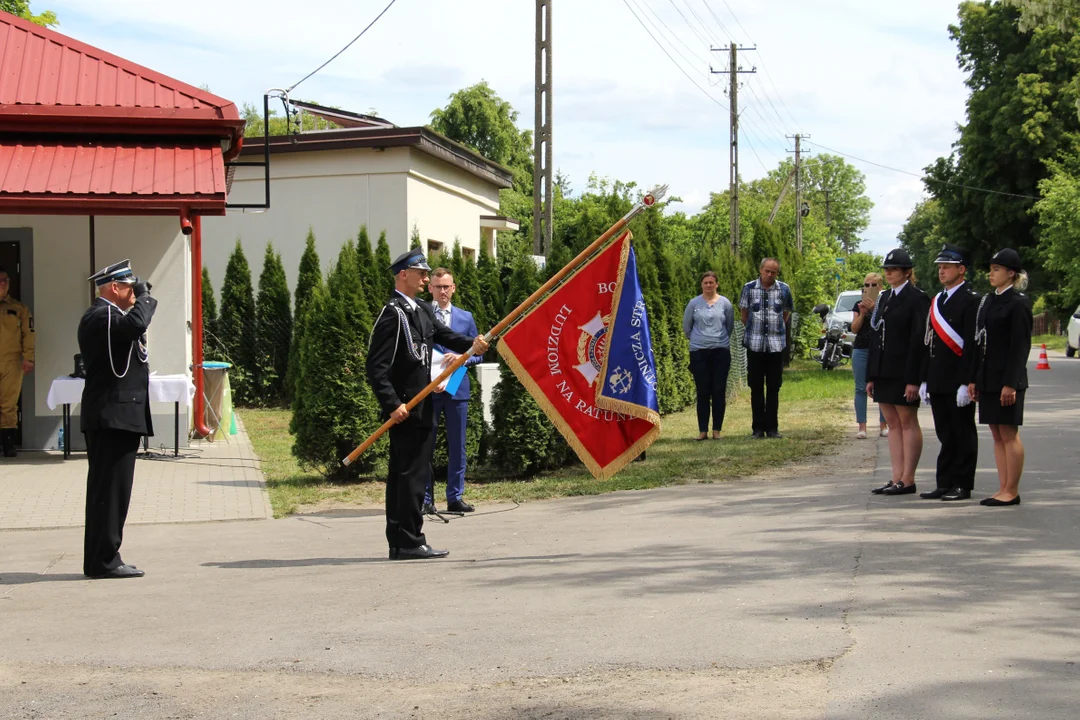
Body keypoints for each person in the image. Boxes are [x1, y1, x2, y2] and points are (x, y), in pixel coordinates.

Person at [366, 250, 489, 560]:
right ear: (402, 275)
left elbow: (445, 335)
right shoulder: (392, 313)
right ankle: (406, 540)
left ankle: (405, 539)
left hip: (423, 408)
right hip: (406, 409)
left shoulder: (421, 309)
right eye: (420, 274)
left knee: (414, 475)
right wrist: (392, 403)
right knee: (406, 477)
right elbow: (376, 367)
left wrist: (472, 344)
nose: (426, 279)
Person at [78, 260, 156, 578]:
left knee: (109, 493)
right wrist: (147, 297)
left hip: (116, 416)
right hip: (112, 417)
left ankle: (102, 557)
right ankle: (104, 560)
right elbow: (134, 326)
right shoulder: (103, 315)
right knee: (110, 493)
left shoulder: (107, 316)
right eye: (129, 287)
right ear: (115, 288)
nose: (134, 293)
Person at [970, 248, 1032, 507]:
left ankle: (1012, 490)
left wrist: (1011, 382)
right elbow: (979, 342)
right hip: (987, 376)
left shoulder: (1018, 303)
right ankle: (1002, 487)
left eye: (996, 269)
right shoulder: (988, 301)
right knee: (996, 433)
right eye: (991, 269)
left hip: (1007, 378)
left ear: (1011, 273)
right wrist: (974, 378)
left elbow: (1020, 346)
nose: (991, 273)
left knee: (1008, 433)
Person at [919, 244, 980, 501]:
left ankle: (962, 483)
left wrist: (967, 382)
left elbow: (972, 344)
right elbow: (929, 341)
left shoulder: (971, 299)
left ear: (961, 269)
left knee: (962, 431)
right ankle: (944, 482)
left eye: (947, 267)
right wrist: (924, 377)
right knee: (944, 432)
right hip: (938, 377)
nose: (941, 271)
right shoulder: (938, 299)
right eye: (940, 267)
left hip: (958, 379)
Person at [867, 248, 930, 497]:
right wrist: (871, 376)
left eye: (894, 269)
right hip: (884, 369)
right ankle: (895, 476)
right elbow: (875, 336)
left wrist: (914, 379)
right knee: (892, 424)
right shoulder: (884, 298)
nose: (890, 273)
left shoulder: (917, 299)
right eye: (887, 270)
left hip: (904, 371)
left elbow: (918, 341)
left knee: (907, 422)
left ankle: (908, 478)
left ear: (907, 272)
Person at [424, 267, 483, 514]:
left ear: (454, 288)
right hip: (428, 388)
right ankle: (426, 499)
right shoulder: (422, 314)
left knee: (457, 445)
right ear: (430, 289)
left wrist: (461, 358)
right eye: (438, 287)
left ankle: (455, 497)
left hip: (457, 388)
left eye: (447, 286)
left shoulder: (465, 317)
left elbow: (478, 355)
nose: (443, 291)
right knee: (425, 445)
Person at [739, 257, 794, 439]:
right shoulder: (748, 288)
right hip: (754, 345)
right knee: (755, 387)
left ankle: (772, 428)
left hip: (775, 346)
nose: (769, 275)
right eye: (767, 271)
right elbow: (744, 315)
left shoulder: (784, 289)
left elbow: (785, 315)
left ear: (777, 273)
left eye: (773, 272)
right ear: (760, 270)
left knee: (773, 387)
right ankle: (757, 428)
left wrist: (775, 330)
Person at [683, 271, 735, 440]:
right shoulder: (693, 304)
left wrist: (717, 340)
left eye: (711, 282)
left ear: (717, 284)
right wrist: (701, 340)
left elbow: (729, 326)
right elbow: (687, 328)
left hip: (720, 351)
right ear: (701, 285)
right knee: (703, 391)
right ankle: (703, 430)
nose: (708, 285)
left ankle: (717, 430)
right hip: (699, 352)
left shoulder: (725, 303)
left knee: (719, 390)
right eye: (705, 283)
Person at [0, 264, 35, 458]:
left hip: (11, 361)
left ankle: (8, 444)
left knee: (9, 404)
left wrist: (29, 358)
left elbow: (28, 334)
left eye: (6, 280)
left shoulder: (18, 308)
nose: (3, 284)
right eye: (0, 280)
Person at [849, 272, 887, 440]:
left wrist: (873, 309)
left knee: (881, 386)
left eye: (873, 285)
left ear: (880, 287)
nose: (868, 288)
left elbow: (885, 325)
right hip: (861, 348)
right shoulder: (858, 305)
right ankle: (862, 427)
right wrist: (863, 312)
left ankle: (883, 425)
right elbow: (854, 329)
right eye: (866, 285)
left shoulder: (885, 304)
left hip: (880, 349)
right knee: (860, 387)